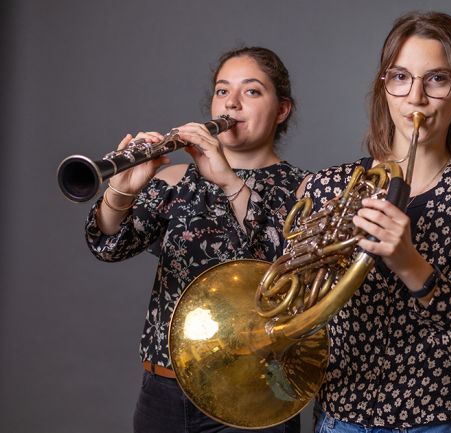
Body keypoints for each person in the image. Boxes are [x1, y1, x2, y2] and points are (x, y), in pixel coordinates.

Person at [303, 11, 451, 433]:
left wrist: (410, 264)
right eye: (400, 77)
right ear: (384, 88)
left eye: (436, 79)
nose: (415, 97)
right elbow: (299, 311)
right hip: (342, 417)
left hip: (442, 421)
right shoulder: (330, 186)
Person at [84, 46, 305, 433]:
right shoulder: (176, 180)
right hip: (165, 391)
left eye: (251, 92)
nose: (231, 103)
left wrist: (227, 179)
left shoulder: (305, 188)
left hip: (255, 392)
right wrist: (122, 189)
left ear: (282, 110)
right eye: (222, 91)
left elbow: (280, 262)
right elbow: (110, 245)